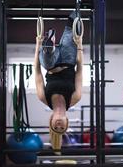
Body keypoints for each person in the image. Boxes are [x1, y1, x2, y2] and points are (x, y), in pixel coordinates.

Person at [34, 12, 83, 152]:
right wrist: (79, 46)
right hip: (68, 60)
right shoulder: (75, 98)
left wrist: (38, 45)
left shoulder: (44, 98)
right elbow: (79, 72)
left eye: (56, 127)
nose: (59, 125)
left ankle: (49, 47)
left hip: (52, 65)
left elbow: (37, 72)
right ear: (67, 122)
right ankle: (77, 3)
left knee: (47, 62)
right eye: (62, 127)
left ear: (51, 121)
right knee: (73, 20)